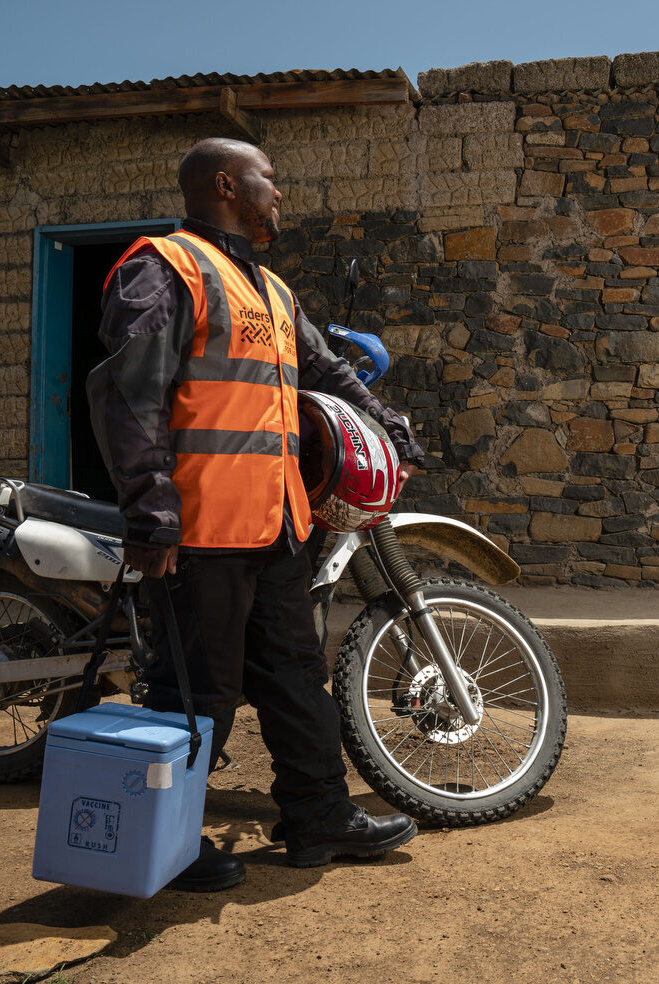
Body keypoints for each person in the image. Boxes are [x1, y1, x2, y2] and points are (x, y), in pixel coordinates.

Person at [86, 137, 425, 891]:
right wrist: (151, 511)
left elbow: (326, 370)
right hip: (199, 530)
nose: (278, 192)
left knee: (296, 676)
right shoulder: (163, 267)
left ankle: (318, 816)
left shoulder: (270, 289)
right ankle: (167, 841)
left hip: (276, 526)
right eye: (267, 178)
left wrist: (388, 425)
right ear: (225, 184)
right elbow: (128, 396)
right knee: (195, 691)